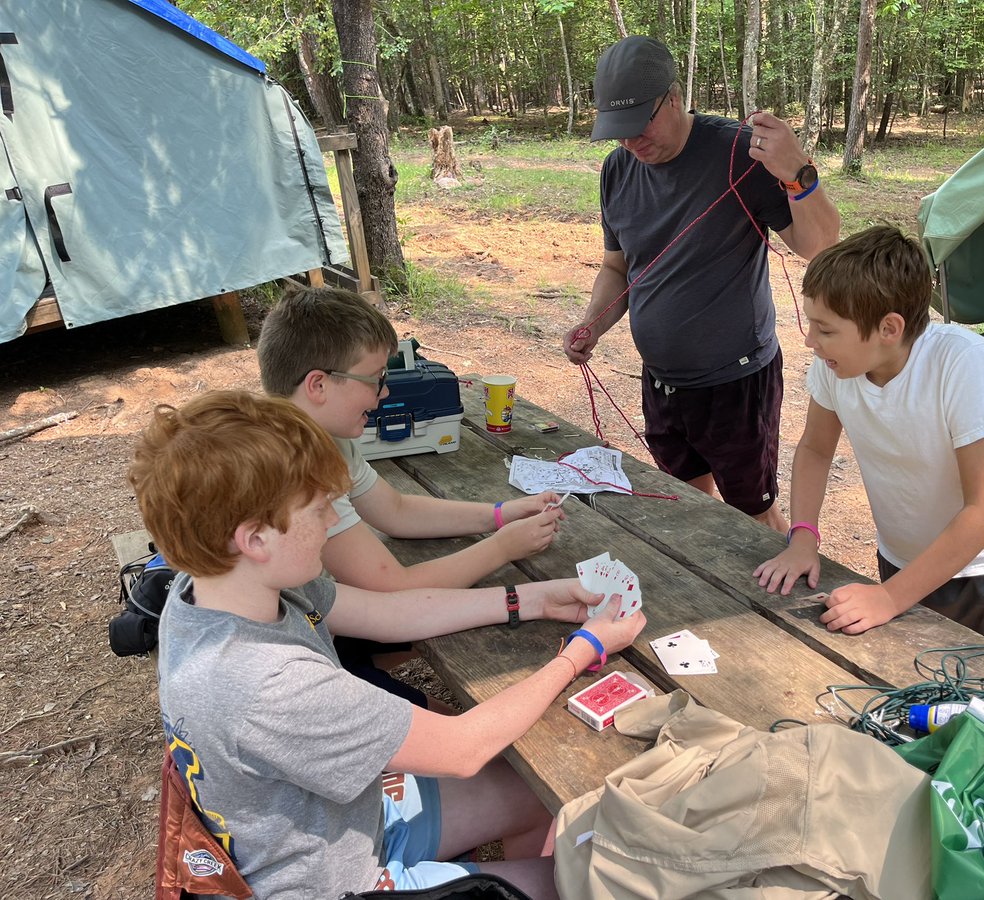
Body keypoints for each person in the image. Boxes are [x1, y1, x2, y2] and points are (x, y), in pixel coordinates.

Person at [131, 390, 645, 899]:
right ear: (256, 538)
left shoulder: (216, 585)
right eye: (317, 510)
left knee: (534, 791)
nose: (334, 522)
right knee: (573, 881)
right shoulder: (268, 683)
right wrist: (582, 649)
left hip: (348, 822)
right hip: (334, 883)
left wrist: (534, 599)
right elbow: (463, 748)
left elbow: (390, 612)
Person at [564, 35, 840, 533]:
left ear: (672, 97)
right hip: (662, 381)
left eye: (638, 126)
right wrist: (593, 325)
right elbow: (617, 269)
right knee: (688, 504)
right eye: (617, 132)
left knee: (753, 516)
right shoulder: (617, 171)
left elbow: (818, 244)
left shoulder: (739, 152)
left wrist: (799, 174)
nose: (630, 142)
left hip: (736, 382)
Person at [754, 226, 984, 657]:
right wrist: (803, 536)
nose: (809, 341)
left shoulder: (963, 363)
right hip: (902, 562)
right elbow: (815, 449)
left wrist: (891, 597)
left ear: (888, 328)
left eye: (824, 329)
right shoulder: (835, 366)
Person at [258, 286, 565, 699]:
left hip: (320, 615)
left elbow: (396, 511)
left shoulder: (325, 436)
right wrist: (501, 549)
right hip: (294, 656)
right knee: (453, 734)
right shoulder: (295, 465)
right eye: (375, 379)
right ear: (318, 385)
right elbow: (392, 591)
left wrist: (499, 514)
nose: (384, 392)